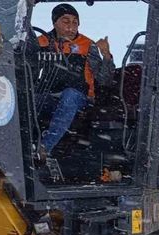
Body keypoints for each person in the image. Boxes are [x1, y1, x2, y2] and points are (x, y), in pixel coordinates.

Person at [37, 3, 116, 157]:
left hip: (81, 98)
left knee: (70, 95)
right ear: (55, 22)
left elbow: (104, 78)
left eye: (75, 22)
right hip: (50, 95)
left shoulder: (87, 45)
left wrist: (106, 55)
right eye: (66, 21)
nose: (71, 27)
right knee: (24, 99)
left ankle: (44, 148)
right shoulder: (41, 42)